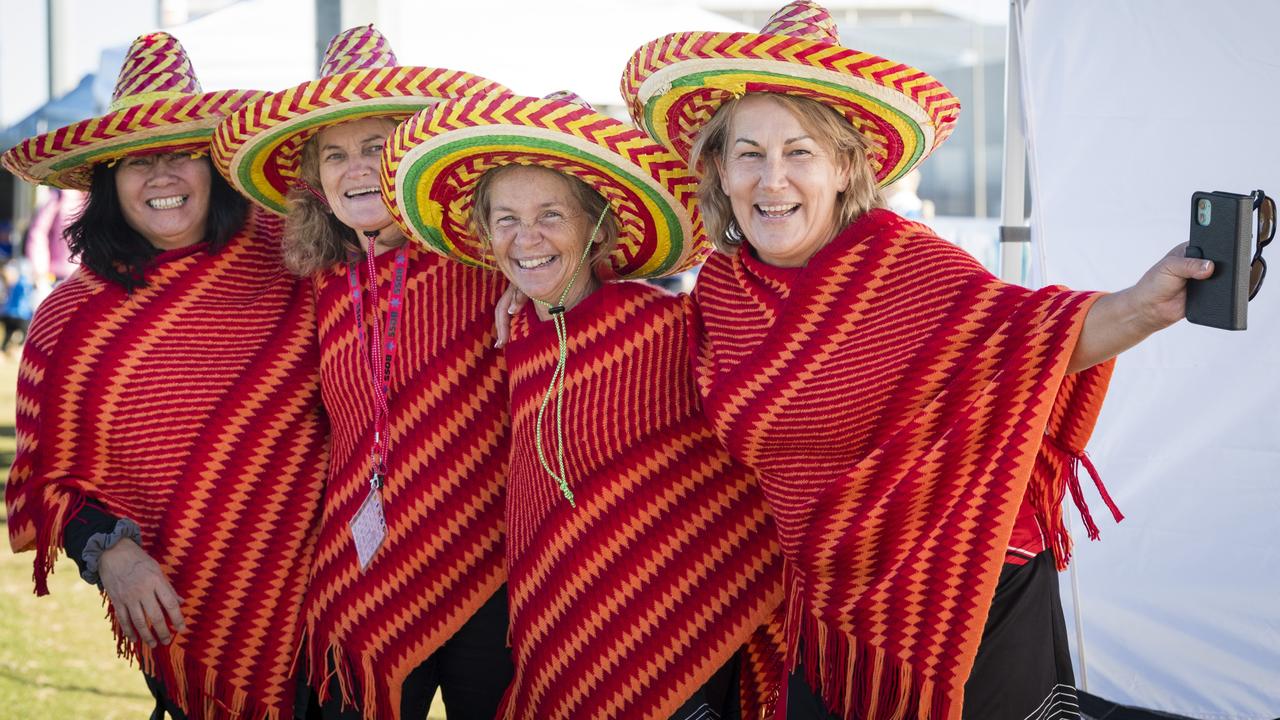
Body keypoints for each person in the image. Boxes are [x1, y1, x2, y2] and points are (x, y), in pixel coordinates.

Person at [622, 3, 1214, 719]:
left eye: (799, 152)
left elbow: (1026, 334)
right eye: (749, 154)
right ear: (720, 168)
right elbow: (654, 361)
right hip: (829, 597)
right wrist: (535, 305)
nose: (771, 179)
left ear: (845, 167)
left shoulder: (899, 263)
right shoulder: (722, 289)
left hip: (963, 586)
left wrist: (1145, 306)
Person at [382, 90, 784, 720]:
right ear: (486, 236)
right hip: (555, 629)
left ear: (600, 226)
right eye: (506, 219)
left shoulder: (665, 326)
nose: (527, 238)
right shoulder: (516, 341)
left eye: (552, 215)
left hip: (674, 631)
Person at [1, 32, 328, 720]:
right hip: (178, 608)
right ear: (106, 181)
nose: (161, 175)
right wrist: (110, 555)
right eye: (135, 161)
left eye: (181, 154)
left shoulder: (296, 260)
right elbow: (45, 482)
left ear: (215, 167)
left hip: (327, 613)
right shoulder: (70, 320)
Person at [213, 26, 514, 720]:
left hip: (490, 569)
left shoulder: (486, 260)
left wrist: (526, 282)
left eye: (377, 148)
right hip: (362, 574)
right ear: (314, 181)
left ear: (415, 155)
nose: (356, 170)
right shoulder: (315, 283)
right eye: (336, 155)